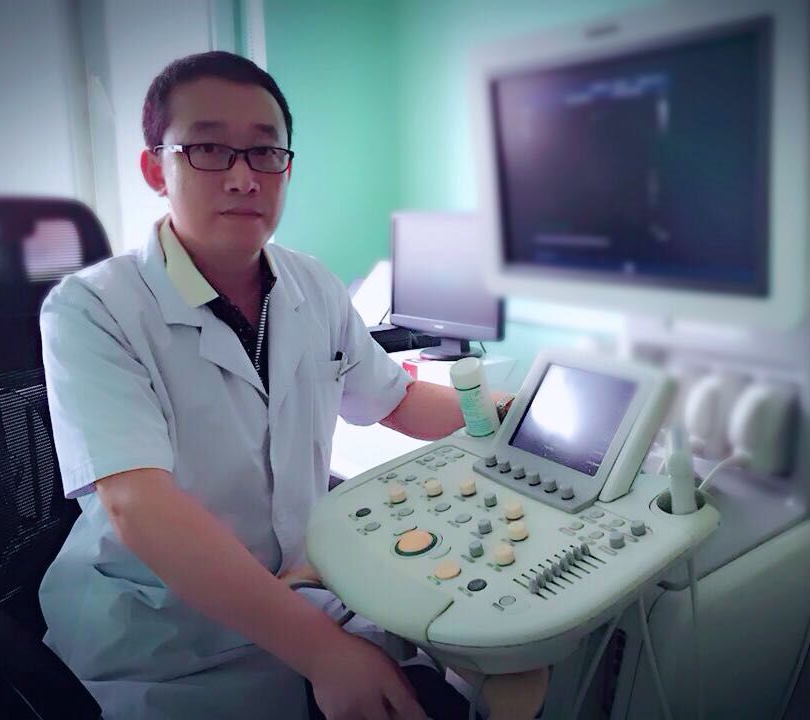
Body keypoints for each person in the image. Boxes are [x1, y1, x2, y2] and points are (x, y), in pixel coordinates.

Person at [37, 51, 503, 720]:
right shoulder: (93, 308)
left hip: (299, 596)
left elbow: (397, 399)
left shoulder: (313, 285)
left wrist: (512, 412)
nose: (242, 177)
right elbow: (138, 505)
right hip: (163, 639)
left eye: (264, 152)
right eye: (207, 149)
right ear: (155, 170)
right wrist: (321, 650)